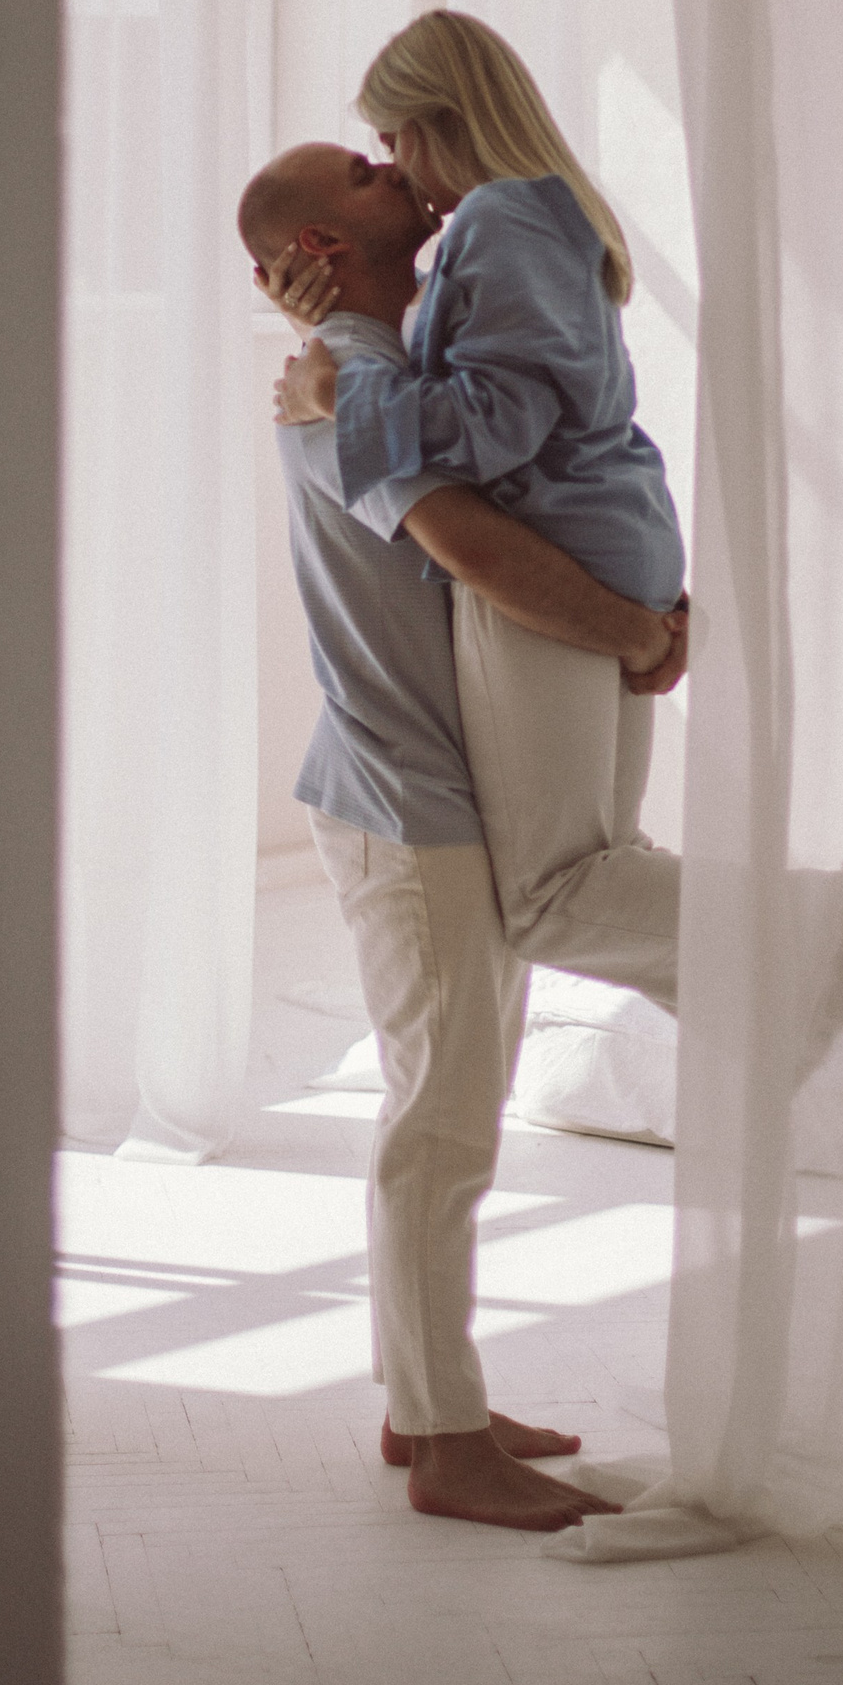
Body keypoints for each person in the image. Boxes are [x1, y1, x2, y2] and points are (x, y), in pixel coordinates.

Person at [267, 11, 843, 1097]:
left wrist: (338, 388)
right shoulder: (543, 215)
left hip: (557, 565)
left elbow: (494, 425)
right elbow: (460, 373)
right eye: (371, 164)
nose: (395, 167)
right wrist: (324, 337)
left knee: (550, 899)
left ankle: (840, 919)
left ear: (442, 117)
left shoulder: (497, 221)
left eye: (390, 141)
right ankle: (842, 993)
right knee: (608, 867)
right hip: (617, 542)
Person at [236, 136, 687, 1534]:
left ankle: (428, 1401)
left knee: (450, 1113)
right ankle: (441, 1441)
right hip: (404, 799)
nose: (393, 167)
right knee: (440, 1125)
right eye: (360, 172)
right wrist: (641, 635)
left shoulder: (383, 367)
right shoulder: (347, 383)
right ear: (318, 250)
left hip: (433, 793)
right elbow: (484, 551)